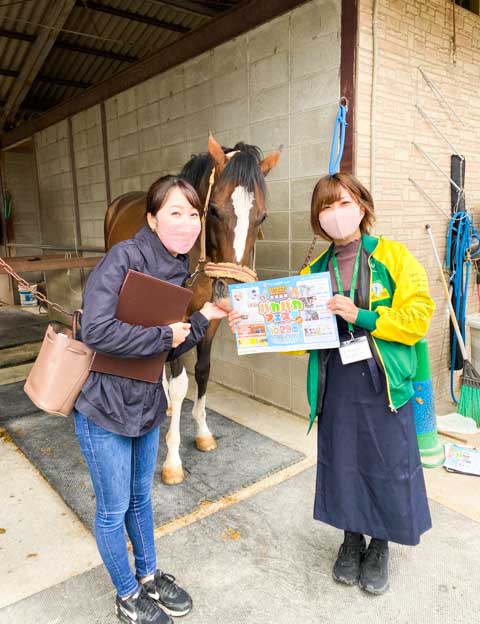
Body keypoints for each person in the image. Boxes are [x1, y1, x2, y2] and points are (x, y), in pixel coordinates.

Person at [229, 172, 435, 595]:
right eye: (326, 207)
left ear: (362, 206)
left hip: (385, 386)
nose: (335, 214)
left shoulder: (393, 257)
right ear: (317, 219)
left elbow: (419, 317)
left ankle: (379, 544)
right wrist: (251, 323)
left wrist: (363, 316)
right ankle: (350, 539)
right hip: (336, 382)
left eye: (343, 203)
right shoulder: (314, 270)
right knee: (342, 462)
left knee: (385, 464)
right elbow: (294, 337)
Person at [74, 175, 227, 624]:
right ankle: (127, 595)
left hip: (144, 405)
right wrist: (165, 332)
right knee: (114, 508)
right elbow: (95, 331)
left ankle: (149, 576)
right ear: (152, 219)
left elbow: (162, 349)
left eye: (193, 214)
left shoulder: (178, 268)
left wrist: (202, 318)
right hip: (103, 407)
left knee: (141, 500)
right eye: (174, 213)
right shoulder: (123, 257)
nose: (186, 222)